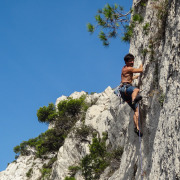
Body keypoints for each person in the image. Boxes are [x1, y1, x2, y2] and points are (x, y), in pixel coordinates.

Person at [120, 53, 143, 137]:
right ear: (126, 62)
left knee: (136, 111)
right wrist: (141, 65)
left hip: (124, 92)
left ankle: (136, 128)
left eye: (133, 60)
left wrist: (134, 77)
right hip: (126, 88)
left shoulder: (124, 68)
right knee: (136, 90)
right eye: (130, 61)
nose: (132, 62)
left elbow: (127, 78)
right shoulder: (129, 68)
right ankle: (134, 100)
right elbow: (141, 70)